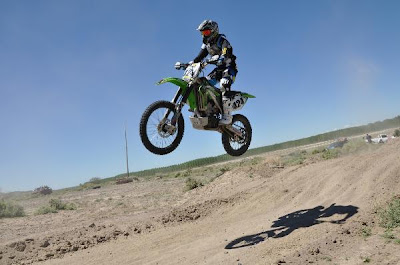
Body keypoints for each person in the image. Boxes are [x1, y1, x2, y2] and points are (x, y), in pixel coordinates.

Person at [192, 20, 238, 125]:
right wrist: (191, 63)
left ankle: (227, 116)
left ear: (214, 31)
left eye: (206, 32)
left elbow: (226, 52)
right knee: (202, 84)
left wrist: (220, 58)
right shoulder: (206, 44)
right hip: (218, 70)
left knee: (224, 84)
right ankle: (208, 109)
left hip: (229, 68)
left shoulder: (222, 41)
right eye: (203, 33)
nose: (204, 35)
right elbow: (200, 56)